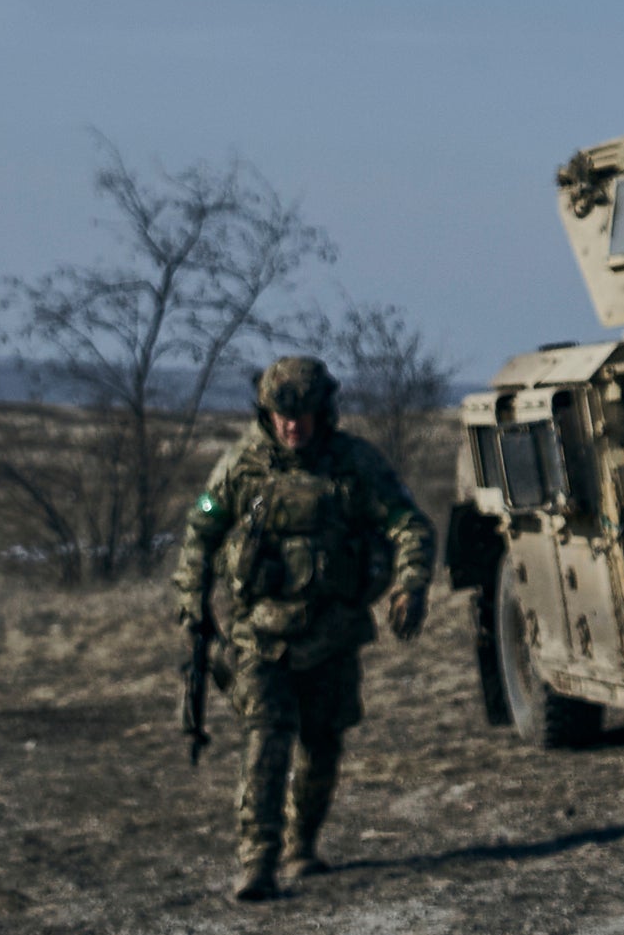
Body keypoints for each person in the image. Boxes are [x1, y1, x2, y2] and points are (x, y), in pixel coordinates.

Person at [174, 355, 434, 903]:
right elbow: (200, 529)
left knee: (322, 746)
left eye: (305, 415)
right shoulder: (239, 466)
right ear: (266, 414)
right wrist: (192, 604)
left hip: (333, 634)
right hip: (260, 637)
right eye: (281, 416)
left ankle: (301, 843)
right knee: (265, 742)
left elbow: (408, 523)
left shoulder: (355, 464)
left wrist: (410, 584)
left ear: (324, 412)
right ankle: (257, 861)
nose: (293, 427)